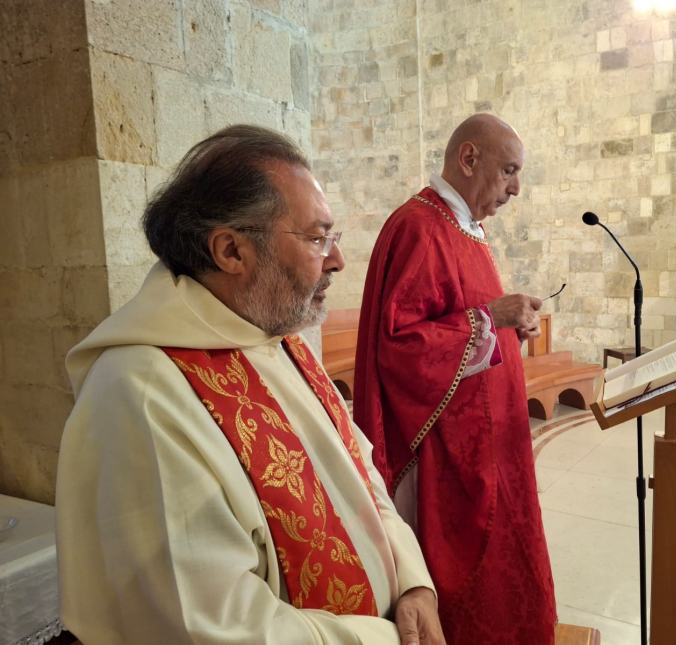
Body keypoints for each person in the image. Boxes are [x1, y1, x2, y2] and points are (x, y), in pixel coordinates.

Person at [56, 125, 445, 645]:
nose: (337, 260)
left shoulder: (274, 338)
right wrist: (382, 639)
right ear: (231, 251)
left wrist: (413, 582)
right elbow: (206, 624)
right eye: (316, 238)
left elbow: (356, 467)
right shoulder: (141, 395)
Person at [352, 114, 556, 644]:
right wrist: (493, 319)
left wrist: (512, 327)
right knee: (468, 581)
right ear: (469, 159)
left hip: (491, 440)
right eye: (509, 171)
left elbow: (467, 317)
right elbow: (399, 347)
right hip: (449, 452)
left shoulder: (466, 227)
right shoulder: (418, 226)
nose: (515, 188)